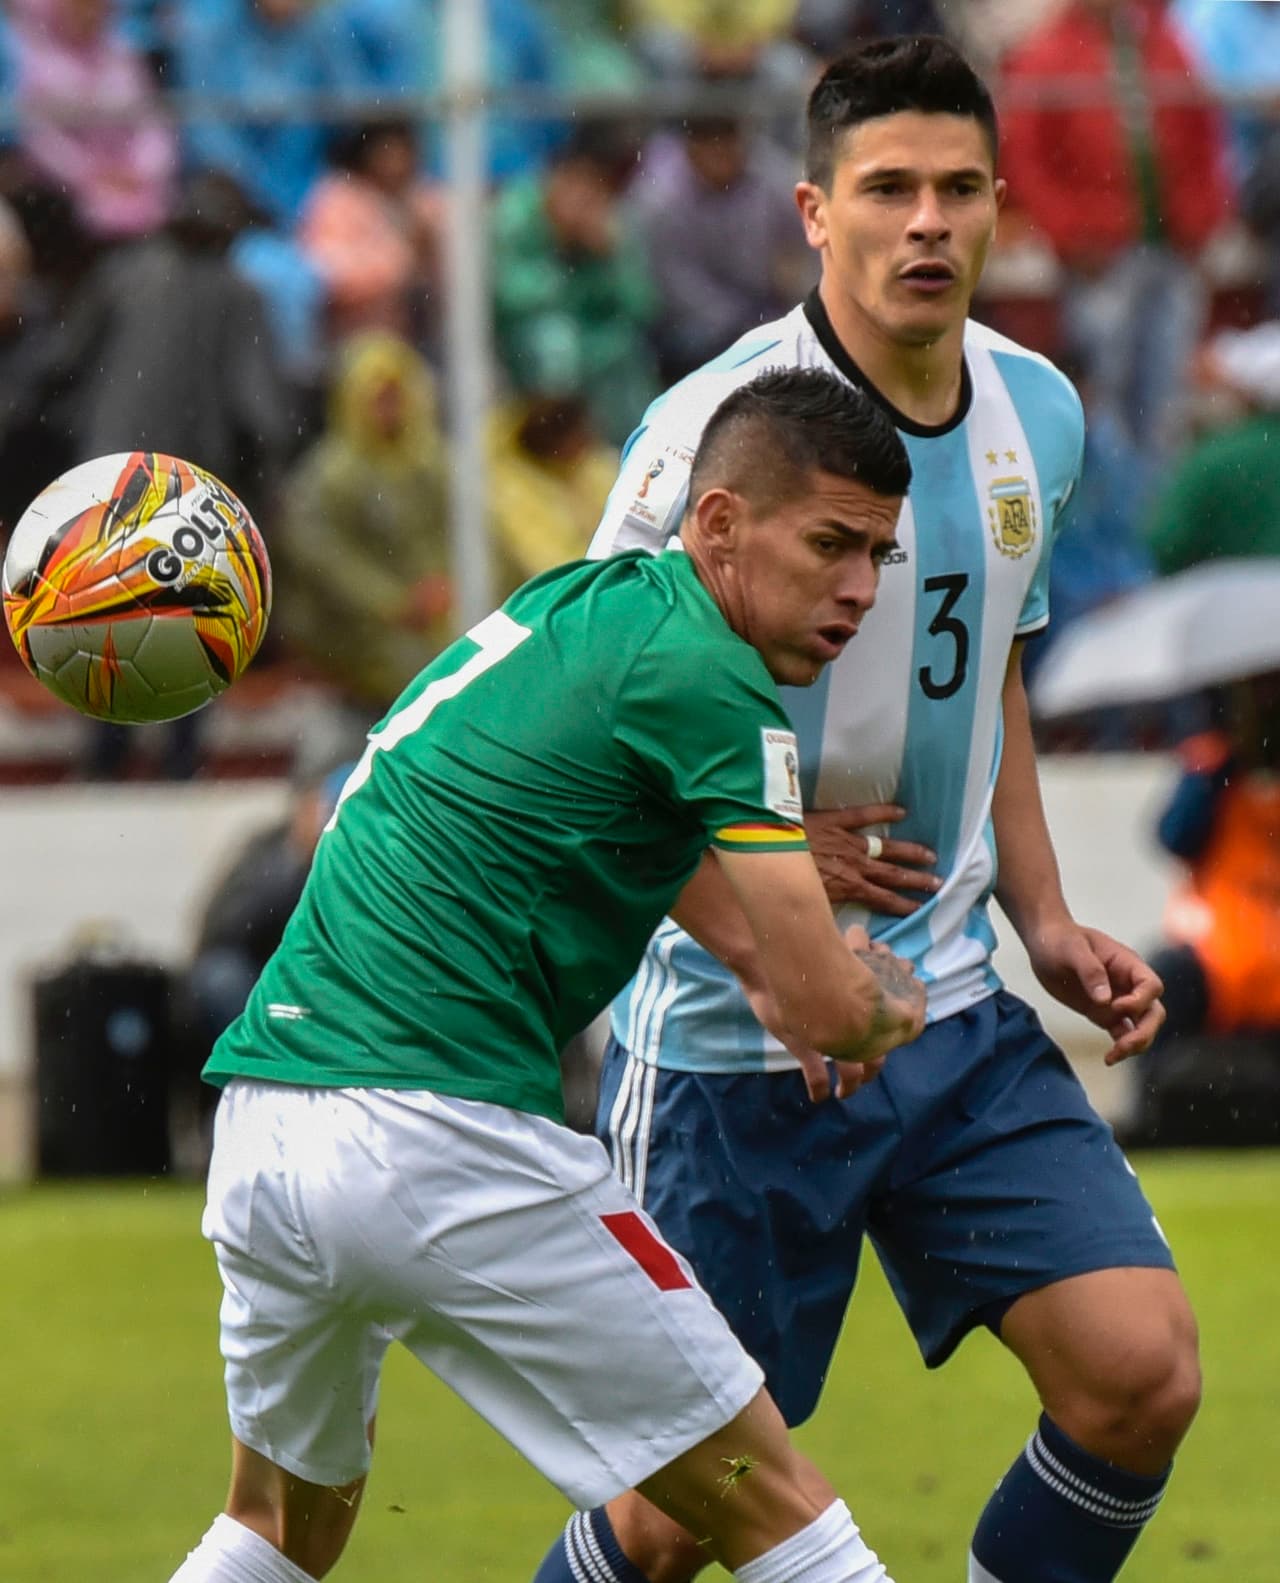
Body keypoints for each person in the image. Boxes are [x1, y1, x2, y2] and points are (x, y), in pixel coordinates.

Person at [529, 37, 1195, 1583]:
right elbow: (598, 743)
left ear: (1000, 208)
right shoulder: (711, 440)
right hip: (727, 1049)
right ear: (815, 214)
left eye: (960, 190)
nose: (929, 224)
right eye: (888, 189)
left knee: (1140, 1372)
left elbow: (995, 677)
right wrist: (777, 944)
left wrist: (1041, 918)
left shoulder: (1041, 410)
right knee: (677, 1510)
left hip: (950, 1011)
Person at [168, 366, 929, 1583]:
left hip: (264, 1128)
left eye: (877, 557)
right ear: (720, 522)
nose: (853, 588)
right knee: (772, 1503)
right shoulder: (709, 675)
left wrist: (754, 955)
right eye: (829, 542)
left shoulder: (578, 609)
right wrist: (888, 997)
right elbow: (837, 1003)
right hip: (436, 1137)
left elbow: (609, 834)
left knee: (277, 1527)